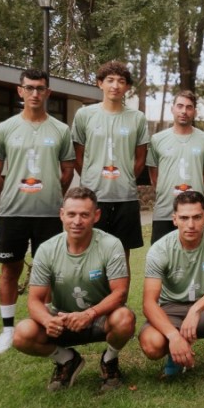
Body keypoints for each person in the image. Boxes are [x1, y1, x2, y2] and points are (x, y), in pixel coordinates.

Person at [0, 68, 75, 354]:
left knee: (45, 271)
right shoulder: (5, 128)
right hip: (12, 214)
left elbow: (67, 170)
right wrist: (12, 194)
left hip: (49, 214)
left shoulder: (60, 130)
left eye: (40, 88)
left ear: (48, 92)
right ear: (20, 91)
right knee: (9, 269)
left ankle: (44, 323)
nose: (35, 93)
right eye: (30, 88)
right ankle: (8, 330)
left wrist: (50, 194)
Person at [12, 187, 134, 392]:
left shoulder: (110, 245)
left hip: (99, 318)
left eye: (84, 215)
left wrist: (90, 313)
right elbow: (34, 300)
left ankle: (109, 360)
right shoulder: (47, 249)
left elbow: (120, 293)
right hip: (62, 319)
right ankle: (67, 360)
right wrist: (47, 320)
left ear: (96, 216)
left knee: (125, 318)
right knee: (22, 334)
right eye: (71, 214)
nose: (77, 221)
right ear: (62, 215)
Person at [139, 191, 204, 382]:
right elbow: (148, 303)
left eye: (197, 217)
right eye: (184, 218)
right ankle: (176, 352)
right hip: (171, 310)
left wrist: (196, 309)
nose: (191, 224)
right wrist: (173, 336)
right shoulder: (159, 249)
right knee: (152, 345)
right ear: (175, 219)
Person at [72, 60, 149, 269]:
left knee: (121, 256)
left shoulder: (137, 118)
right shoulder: (84, 115)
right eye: (110, 80)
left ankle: (119, 301)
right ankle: (92, 301)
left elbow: (140, 158)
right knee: (89, 252)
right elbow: (77, 156)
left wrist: (126, 178)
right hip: (93, 196)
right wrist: (90, 177)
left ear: (127, 87)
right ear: (100, 83)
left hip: (125, 197)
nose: (115, 85)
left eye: (121, 81)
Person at [147, 90, 204, 244]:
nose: (184, 111)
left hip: (195, 212)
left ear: (195, 112)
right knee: (161, 261)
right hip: (165, 211)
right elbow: (154, 176)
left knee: (196, 260)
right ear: (172, 109)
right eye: (180, 106)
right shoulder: (157, 139)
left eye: (189, 107)